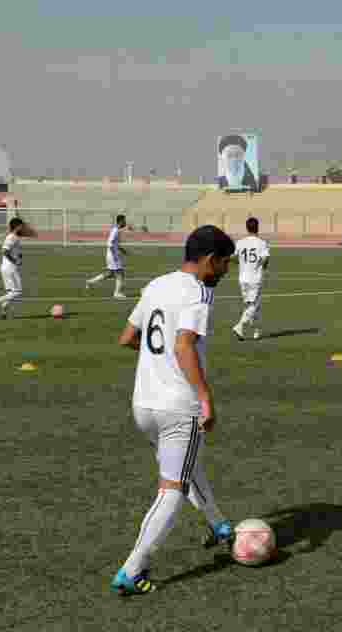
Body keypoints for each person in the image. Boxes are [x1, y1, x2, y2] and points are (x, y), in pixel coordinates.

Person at [110, 225, 237, 596]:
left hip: (144, 403)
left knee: (184, 464)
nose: (225, 271)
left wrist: (158, 361)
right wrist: (205, 398)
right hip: (178, 405)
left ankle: (219, 524)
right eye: (224, 263)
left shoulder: (156, 285)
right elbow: (183, 347)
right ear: (210, 260)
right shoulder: (198, 293)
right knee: (173, 488)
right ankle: (133, 570)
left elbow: (128, 338)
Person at [232, 217, 271, 341]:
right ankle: (239, 326)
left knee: (251, 305)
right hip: (255, 278)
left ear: (247, 228)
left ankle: (256, 331)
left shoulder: (240, 242)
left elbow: (235, 258)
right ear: (257, 227)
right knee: (253, 305)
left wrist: (241, 263)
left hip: (243, 278)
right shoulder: (261, 243)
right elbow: (265, 259)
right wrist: (263, 265)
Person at [0, 218, 30, 319]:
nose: (23, 228)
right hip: (10, 268)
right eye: (22, 226)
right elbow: (5, 251)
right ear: (17, 226)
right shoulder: (11, 237)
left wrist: (19, 257)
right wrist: (15, 261)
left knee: (10, 293)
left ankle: (4, 313)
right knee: (17, 292)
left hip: (8, 268)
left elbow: (15, 251)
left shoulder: (14, 237)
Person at [87, 215, 133, 299]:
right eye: (124, 221)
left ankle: (90, 282)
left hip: (111, 255)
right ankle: (117, 293)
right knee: (120, 274)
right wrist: (114, 255)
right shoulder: (115, 231)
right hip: (112, 256)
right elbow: (110, 243)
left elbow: (115, 244)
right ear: (120, 221)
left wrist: (123, 251)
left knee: (109, 274)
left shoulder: (116, 230)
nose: (125, 222)